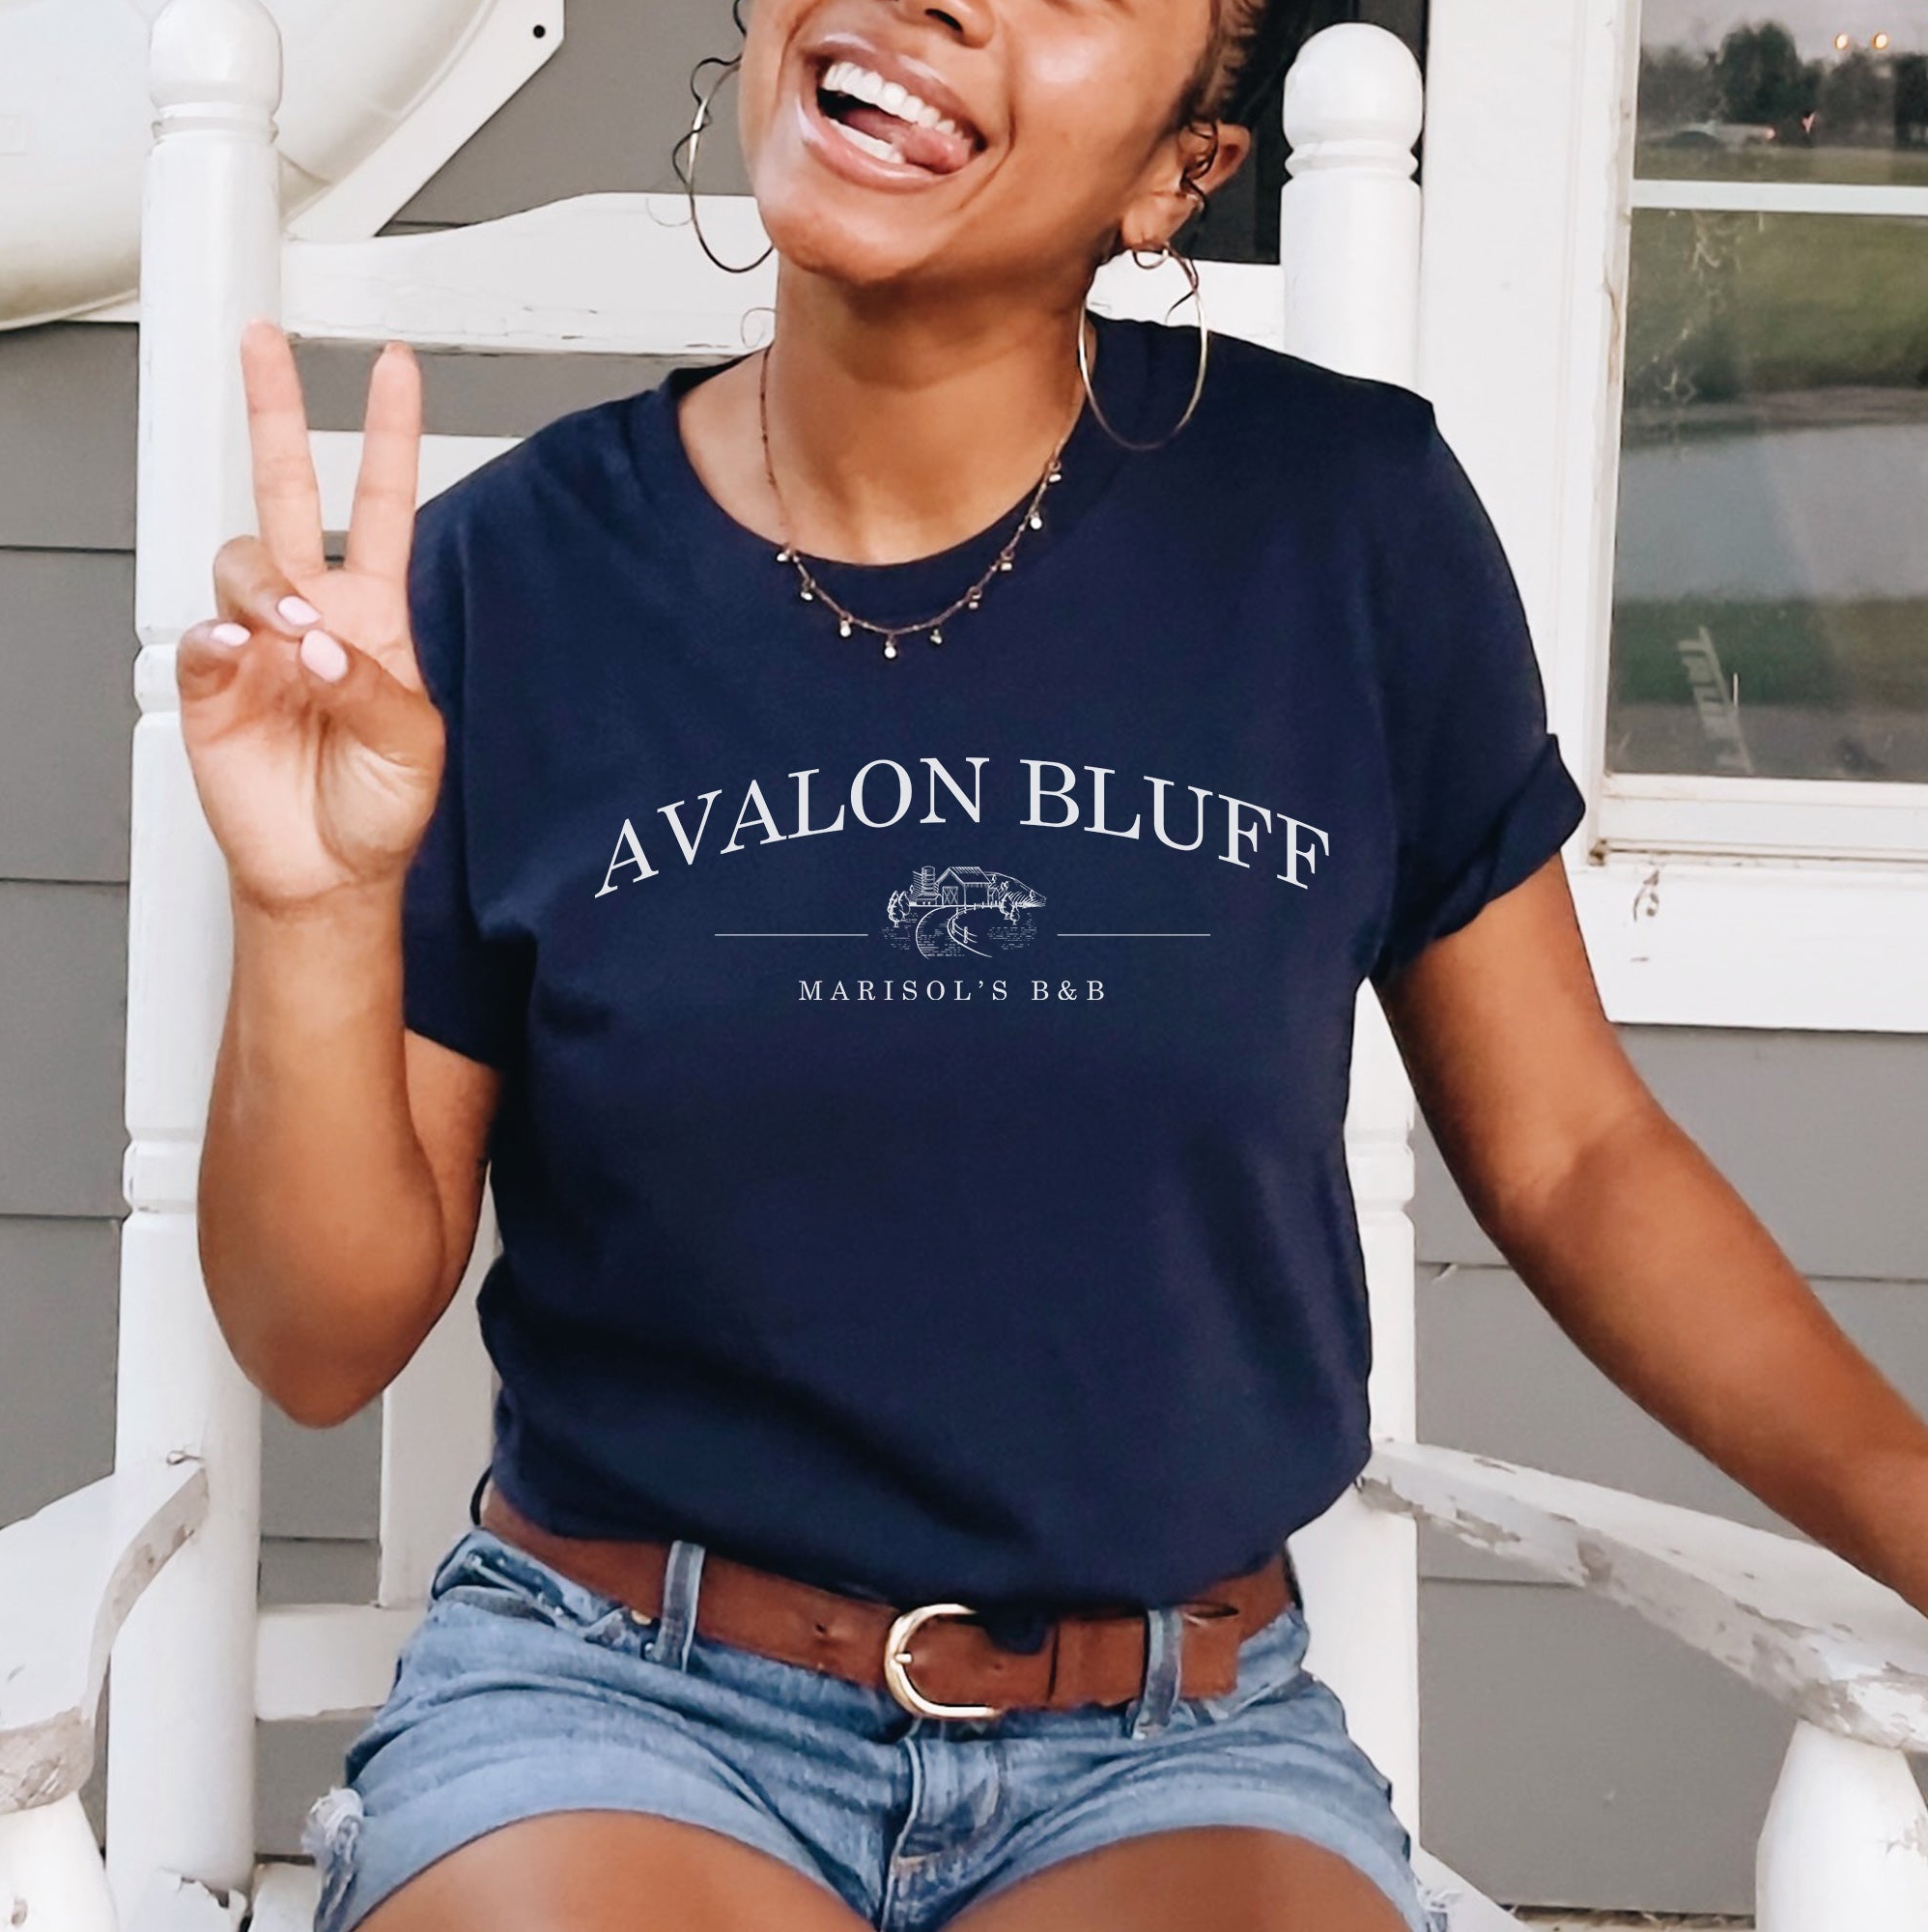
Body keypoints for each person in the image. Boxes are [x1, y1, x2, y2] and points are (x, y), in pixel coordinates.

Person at [184, 0, 1928, 1927]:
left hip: (1168, 1738)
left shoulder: (1342, 529)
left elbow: (1577, 1155)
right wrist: (313, 907)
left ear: (1178, 174)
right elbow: (318, 1344)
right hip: (619, 1701)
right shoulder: (496, 585)